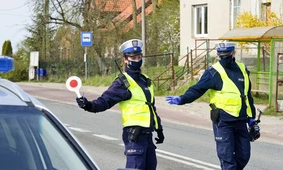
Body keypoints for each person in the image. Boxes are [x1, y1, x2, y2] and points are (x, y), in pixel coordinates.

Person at [165, 42, 260, 170]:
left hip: (241, 121)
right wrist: (182, 98)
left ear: (233, 53)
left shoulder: (242, 69)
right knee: (228, 161)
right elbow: (197, 89)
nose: (223, 58)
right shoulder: (214, 72)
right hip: (223, 122)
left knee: (244, 156)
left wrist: (252, 119)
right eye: (220, 56)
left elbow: (247, 95)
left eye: (226, 55)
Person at [76, 39, 164, 170]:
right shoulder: (122, 83)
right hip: (134, 135)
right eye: (133, 57)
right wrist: (88, 105)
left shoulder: (145, 80)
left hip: (148, 136)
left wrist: (159, 129)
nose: (137, 60)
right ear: (125, 59)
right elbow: (104, 101)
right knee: (135, 168)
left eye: (139, 57)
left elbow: (150, 107)